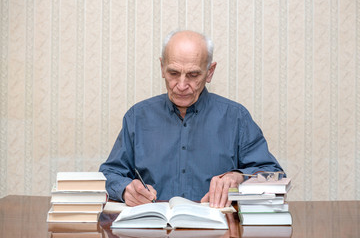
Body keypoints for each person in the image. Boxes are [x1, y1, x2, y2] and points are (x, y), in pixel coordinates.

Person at [99, 30, 284, 208]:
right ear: (162, 67)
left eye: (193, 75)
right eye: (173, 73)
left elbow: (274, 175)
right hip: (156, 227)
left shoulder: (236, 117)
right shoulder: (137, 117)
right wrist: (125, 190)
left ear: (210, 72)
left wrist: (239, 177)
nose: (181, 85)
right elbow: (109, 174)